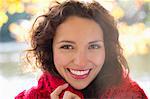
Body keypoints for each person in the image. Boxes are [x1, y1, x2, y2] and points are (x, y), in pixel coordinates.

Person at [15, 0, 148, 99]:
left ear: (107, 50)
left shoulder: (133, 96)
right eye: (67, 47)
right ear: (50, 50)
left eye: (93, 46)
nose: (81, 62)